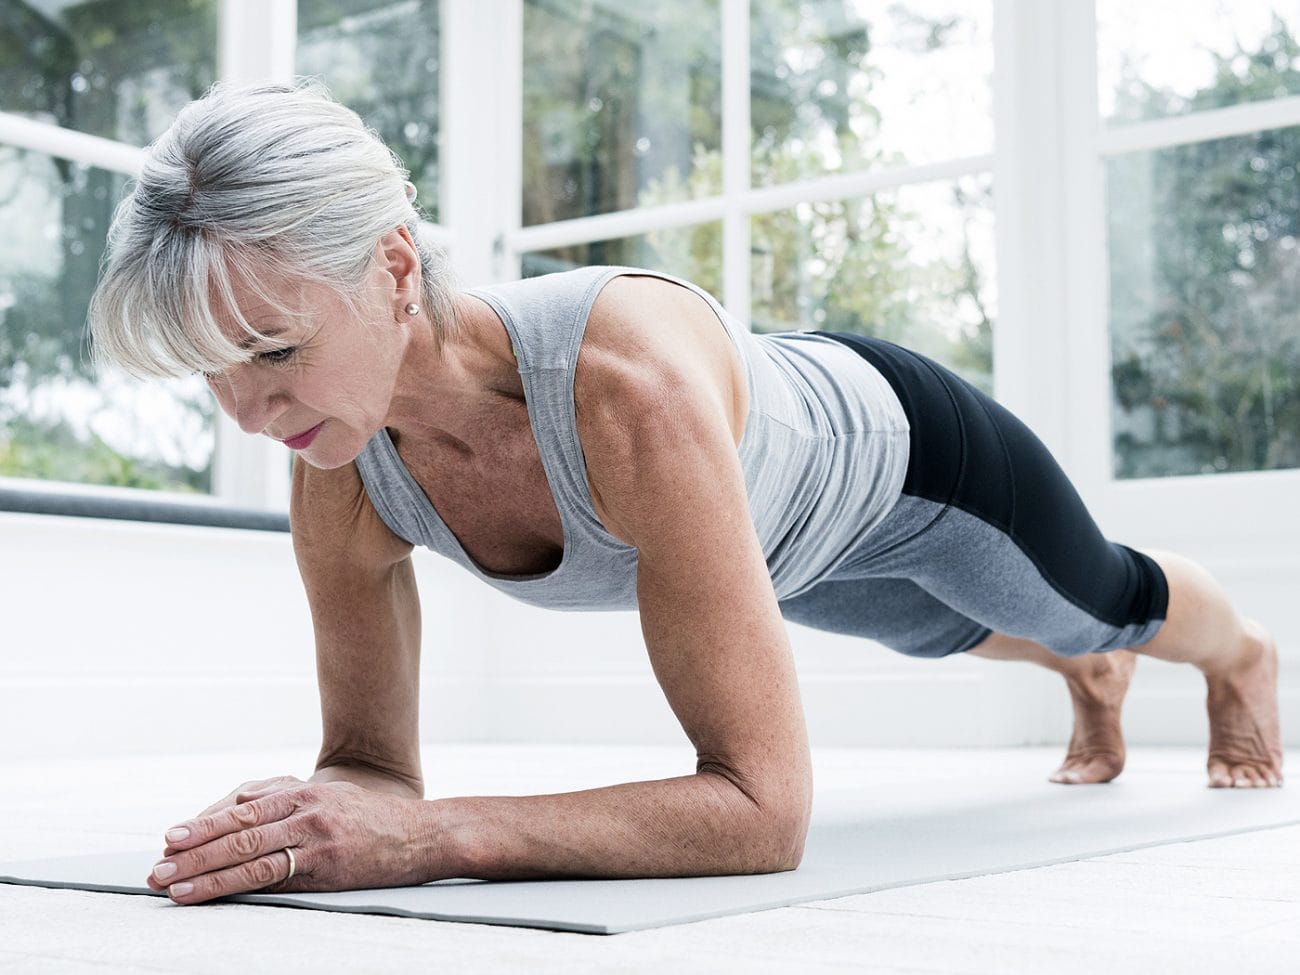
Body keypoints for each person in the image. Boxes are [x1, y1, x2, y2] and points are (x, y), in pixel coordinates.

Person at [87, 81, 1282, 907]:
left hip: (911, 461)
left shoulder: (624, 388)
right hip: (784, 534)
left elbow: (763, 815)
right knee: (952, 634)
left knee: (1101, 603)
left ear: (396, 267)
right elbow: (369, 767)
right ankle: (1082, 680)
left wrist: (439, 837)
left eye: (276, 351)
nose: (246, 413)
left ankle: (1239, 663)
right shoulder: (337, 462)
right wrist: (321, 812)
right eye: (212, 372)